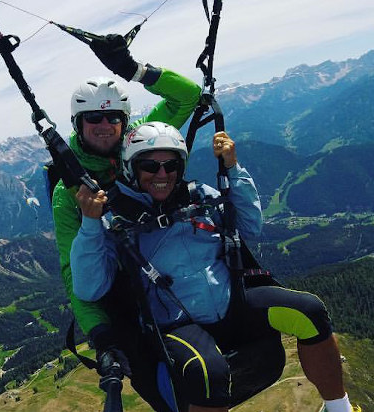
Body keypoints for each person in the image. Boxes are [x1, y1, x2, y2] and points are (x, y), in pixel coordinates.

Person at [70, 121, 358, 412]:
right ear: (131, 168)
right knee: (207, 373)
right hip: (178, 325)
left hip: (232, 303)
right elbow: (89, 288)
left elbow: (250, 226)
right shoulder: (114, 218)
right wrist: (91, 223)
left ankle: (339, 408)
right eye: (150, 166)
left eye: (171, 165)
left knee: (310, 311)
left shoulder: (200, 195)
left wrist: (233, 168)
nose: (162, 174)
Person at [51, 35, 200, 409]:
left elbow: (188, 97)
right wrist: (101, 336)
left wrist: (135, 70)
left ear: (125, 120)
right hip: (126, 289)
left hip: (176, 269)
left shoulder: (141, 139)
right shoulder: (70, 189)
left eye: (113, 117)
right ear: (78, 123)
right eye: (93, 118)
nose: (104, 125)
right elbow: (73, 269)